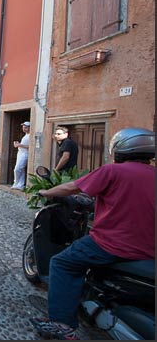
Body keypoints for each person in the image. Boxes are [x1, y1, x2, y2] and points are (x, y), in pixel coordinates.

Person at [31, 127, 155, 340]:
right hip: (147, 249)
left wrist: (46, 192)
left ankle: (62, 324)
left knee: (62, 263)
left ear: (119, 149)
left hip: (111, 245)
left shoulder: (113, 171)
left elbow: (72, 188)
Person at [11, 121, 31, 190]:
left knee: (17, 169)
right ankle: (20, 185)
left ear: (29, 128)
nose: (24, 129)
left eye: (25, 127)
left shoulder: (30, 135)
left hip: (25, 154)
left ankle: (16, 183)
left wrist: (19, 145)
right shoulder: (26, 135)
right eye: (23, 127)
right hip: (20, 153)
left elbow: (30, 146)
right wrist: (18, 144)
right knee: (21, 170)